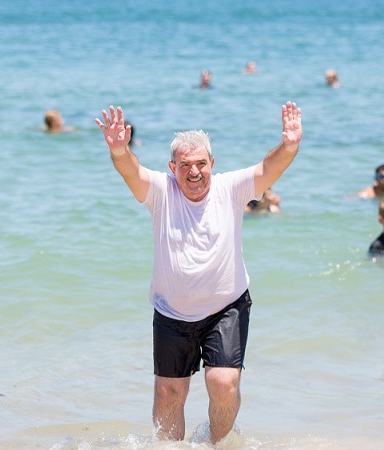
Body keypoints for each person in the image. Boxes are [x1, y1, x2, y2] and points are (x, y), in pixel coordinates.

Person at [95, 101, 302, 444]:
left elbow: (268, 168)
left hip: (226, 307)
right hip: (171, 311)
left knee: (223, 383)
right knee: (168, 394)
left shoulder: (230, 188)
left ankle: (215, 443)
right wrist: (120, 151)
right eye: (186, 165)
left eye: (201, 164)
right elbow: (132, 171)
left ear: (212, 164)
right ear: (172, 166)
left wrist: (290, 145)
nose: (194, 172)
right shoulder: (160, 191)